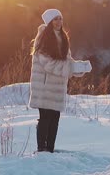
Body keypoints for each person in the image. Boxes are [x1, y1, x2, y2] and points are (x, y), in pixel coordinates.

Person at [29, 9, 91, 153]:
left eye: (60, 19)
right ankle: (41, 150)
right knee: (45, 118)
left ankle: (50, 149)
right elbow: (49, 64)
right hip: (44, 86)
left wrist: (79, 67)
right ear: (49, 22)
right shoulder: (42, 39)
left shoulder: (63, 38)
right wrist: (70, 68)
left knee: (55, 118)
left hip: (58, 86)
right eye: (55, 19)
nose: (59, 22)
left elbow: (67, 62)